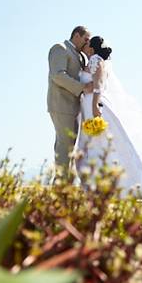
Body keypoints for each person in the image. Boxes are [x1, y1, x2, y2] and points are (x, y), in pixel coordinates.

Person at [75, 36, 142, 198]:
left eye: (89, 43)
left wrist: (95, 105)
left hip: (94, 105)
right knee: (94, 144)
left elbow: (98, 85)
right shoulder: (88, 62)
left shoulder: (97, 60)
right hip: (86, 107)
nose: (86, 44)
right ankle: (99, 184)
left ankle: (120, 184)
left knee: (104, 143)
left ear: (93, 48)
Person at [47, 26, 91, 175]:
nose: (87, 43)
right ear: (76, 35)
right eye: (85, 39)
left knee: (70, 148)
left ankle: (65, 187)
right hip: (61, 105)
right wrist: (82, 87)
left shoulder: (79, 55)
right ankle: (59, 189)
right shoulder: (60, 48)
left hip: (73, 108)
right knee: (64, 147)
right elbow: (58, 75)